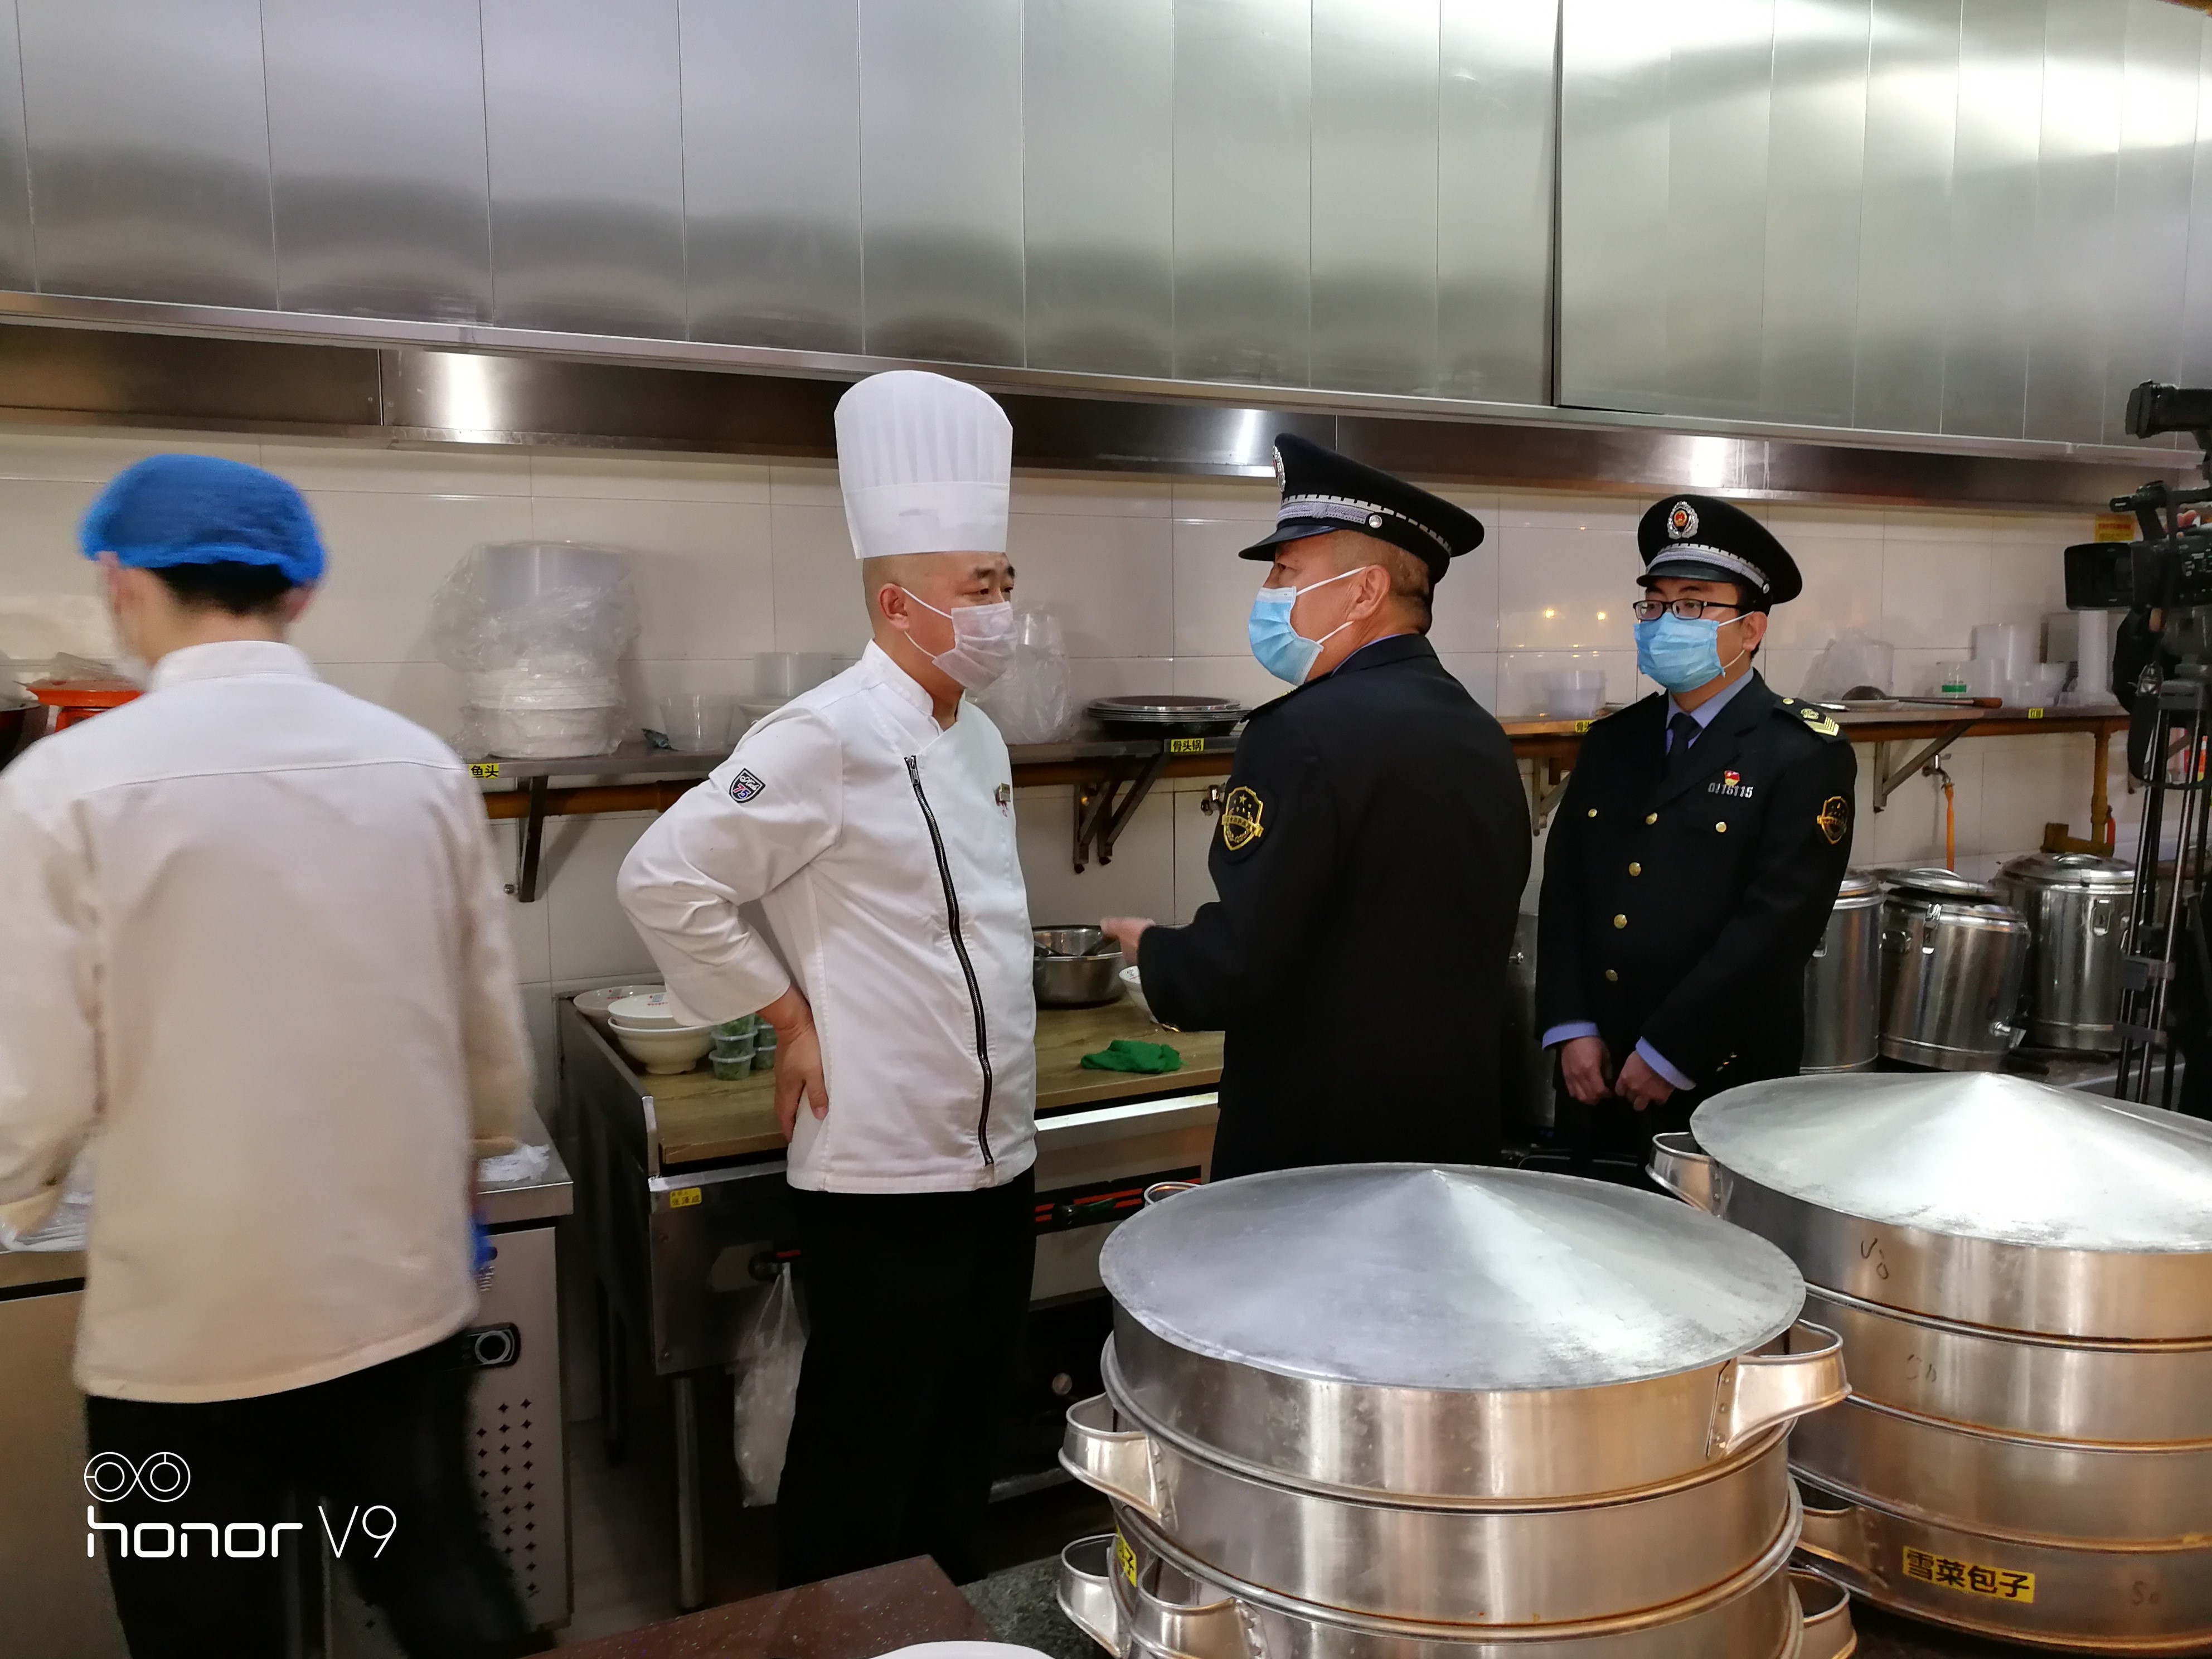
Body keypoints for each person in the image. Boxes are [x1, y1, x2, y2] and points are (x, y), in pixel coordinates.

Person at [0, 456, 540, 1658]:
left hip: (185, 1333)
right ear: (299, 592)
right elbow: (487, 1042)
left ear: (120, 583)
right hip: (395, 1302)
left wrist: (22, 1191)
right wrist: (479, 1154)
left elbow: (32, 1091)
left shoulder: (60, 787)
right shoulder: (419, 767)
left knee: (203, 1631)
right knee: (440, 1585)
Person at [617, 370, 1036, 1587]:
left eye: (1006, 584)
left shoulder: (978, 732)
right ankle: (840, 1628)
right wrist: (785, 1011)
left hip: (996, 1147)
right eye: (978, 589)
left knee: (965, 1425)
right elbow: (664, 878)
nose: (1000, 610)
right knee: (868, 1439)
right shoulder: (821, 735)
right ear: (898, 602)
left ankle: (946, 1617)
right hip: (882, 1159)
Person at [1100, 435, 1527, 1177]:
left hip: (1320, 1148)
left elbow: (1243, 962)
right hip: (1448, 1133)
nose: (1269, 589)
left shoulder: (1298, 734)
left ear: (1364, 593)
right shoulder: (1478, 732)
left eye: (1285, 569)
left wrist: (1157, 951)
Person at [1536, 494, 1857, 1171]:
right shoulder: (1614, 742)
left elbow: (1775, 928)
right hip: (1594, 1071)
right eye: (1654, 604)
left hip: (1716, 1073)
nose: (1663, 621)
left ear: (1751, 629)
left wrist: (1671, 1050)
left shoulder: (1799, 752)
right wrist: (1570, 1027)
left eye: (1692, 604)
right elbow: (1566, 892)